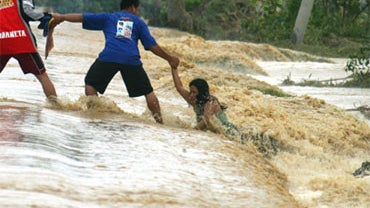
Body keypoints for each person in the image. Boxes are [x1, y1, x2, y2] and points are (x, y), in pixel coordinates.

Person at [52, 0, 179, 124]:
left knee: (90, 84)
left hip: (109, 56)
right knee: (148, 92)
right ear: (133, 8)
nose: (138, 11)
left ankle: (95, 114)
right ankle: (160, 123)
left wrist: (62, 17)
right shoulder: (139, 23)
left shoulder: (108, 17)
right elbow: (152, 46)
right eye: (137, 9)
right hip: (131, 59)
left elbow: (81, 17)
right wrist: (170, 59)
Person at [0, 0, 57, 102]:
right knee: (42, 76)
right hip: (21, 40)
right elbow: (27, 10)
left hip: (2, 41)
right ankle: (55, 106)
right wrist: (44, 16)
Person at [171, 67, 244, 143]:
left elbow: (206, 121)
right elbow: (179, 87)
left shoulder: (211, 102)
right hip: (215, 134)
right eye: (190, 92)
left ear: (201, 93)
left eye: (194, 92)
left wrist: (190, 132)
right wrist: (174, 68)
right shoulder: (194, 99)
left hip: (229, 133)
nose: (191, 95)